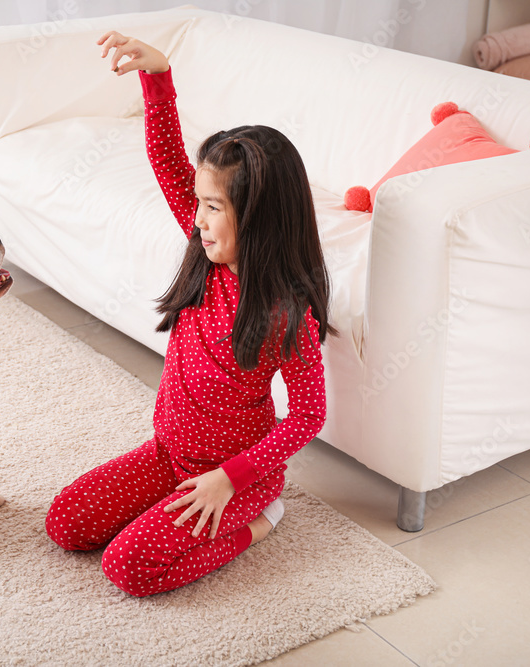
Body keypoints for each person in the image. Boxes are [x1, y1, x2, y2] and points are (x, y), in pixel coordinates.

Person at [44, 30, 336, 597]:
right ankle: (171, 508)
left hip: (229, 479)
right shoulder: (206, 256)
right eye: (197, 203)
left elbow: (307, 417)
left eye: (213, 207)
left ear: (257, 218)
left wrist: (232, 480)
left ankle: (263, 521)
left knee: (127, 568)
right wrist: (157, 78)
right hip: (168, 453)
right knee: (67, 524)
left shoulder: (286, 315)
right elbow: (166, 160)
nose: (198, 219)